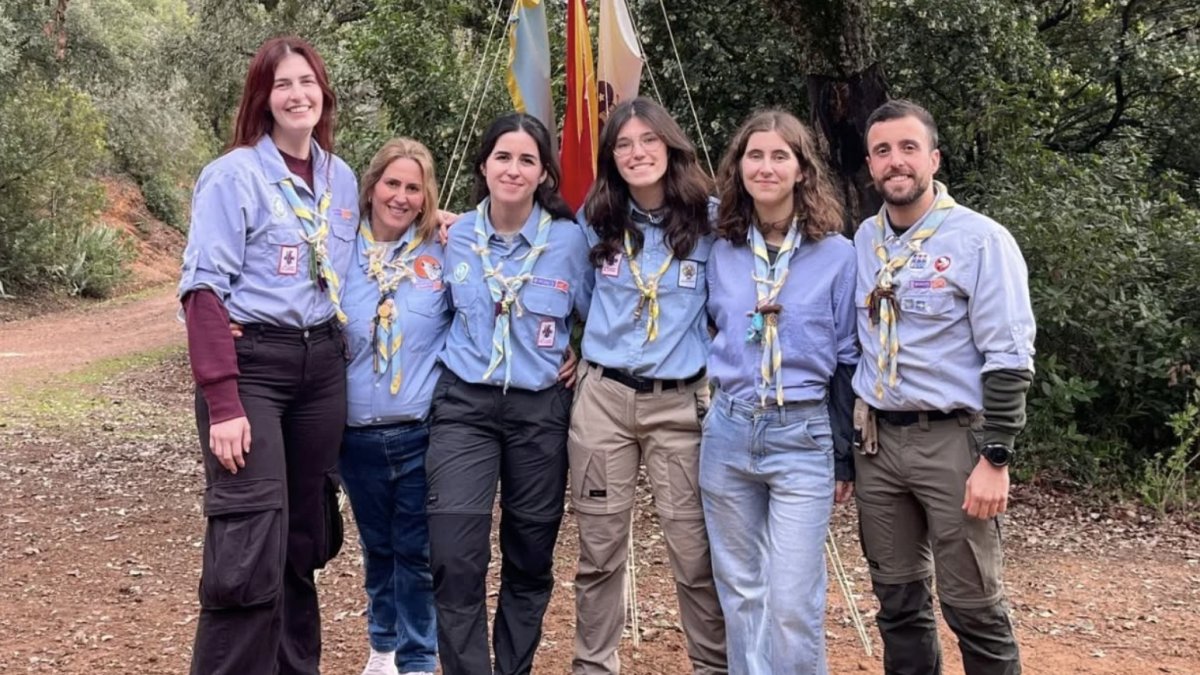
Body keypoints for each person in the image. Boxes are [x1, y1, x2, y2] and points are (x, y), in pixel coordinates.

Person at [178, 35, 358, 675]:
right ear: (264, 97)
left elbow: (357, 273)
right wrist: (223, 401)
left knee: (302, 540)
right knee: (248, 544)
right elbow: (203, 292)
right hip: (254, 369)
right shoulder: (233, 176)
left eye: (307, 82)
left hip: (321, 371)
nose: (297, 94)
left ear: (323, 92)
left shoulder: (342, 178)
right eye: (283, 84)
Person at [852, 99, 1035, 675]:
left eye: (908, 148)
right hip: (878, 443)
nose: (896, 161)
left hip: (953, 442)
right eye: (883, 151)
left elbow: (1008, 354)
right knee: (898, 603)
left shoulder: (980, 239)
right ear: (870, 164)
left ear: (933, 157)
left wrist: (996, 456)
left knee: (973, 604)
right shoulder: (862, 239)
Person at [424, 112, 593, 675]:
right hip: (464, 409)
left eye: (527, 159)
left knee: (529, 556)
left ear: (544, 173)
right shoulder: (454, 235)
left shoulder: (571, 242)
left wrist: (581, 352)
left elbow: (606, 314)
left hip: (538, 410)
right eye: (503, 157)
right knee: (454, 556)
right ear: (483, 165)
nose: (513, 169)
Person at [570, 97, 727, 675]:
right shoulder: (597, 218)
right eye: (624, 145)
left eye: (648, 141)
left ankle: (713, 665)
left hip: (680, 404)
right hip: (604, 400)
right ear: (612, 157)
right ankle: (593, 667)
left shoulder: (712, 221)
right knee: (599, 552)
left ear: (670, 145)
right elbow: (578, 300)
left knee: (694, 553)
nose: (638, 154)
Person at [701, 110, 857, 675]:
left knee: (792, 600)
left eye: (779, 156)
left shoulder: (838, 255)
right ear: (738, 167)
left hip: (803, 432)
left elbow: (846, 357)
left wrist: (844, 454)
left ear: (802, 169)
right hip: (729, 430)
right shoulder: (719, 245)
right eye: (754, 156)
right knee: (741, 592)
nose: (766, 167)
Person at [338, 138, 448, 675]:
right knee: (377, 547)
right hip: (354, 436)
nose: (400, 198)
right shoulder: (338, 249)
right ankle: (382, 645)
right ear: (372, 185)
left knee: (417, 552)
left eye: (413, 188)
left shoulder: (442, 250)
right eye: (392, 184)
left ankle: (419, 657)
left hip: (419, 431)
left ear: (426, 197)